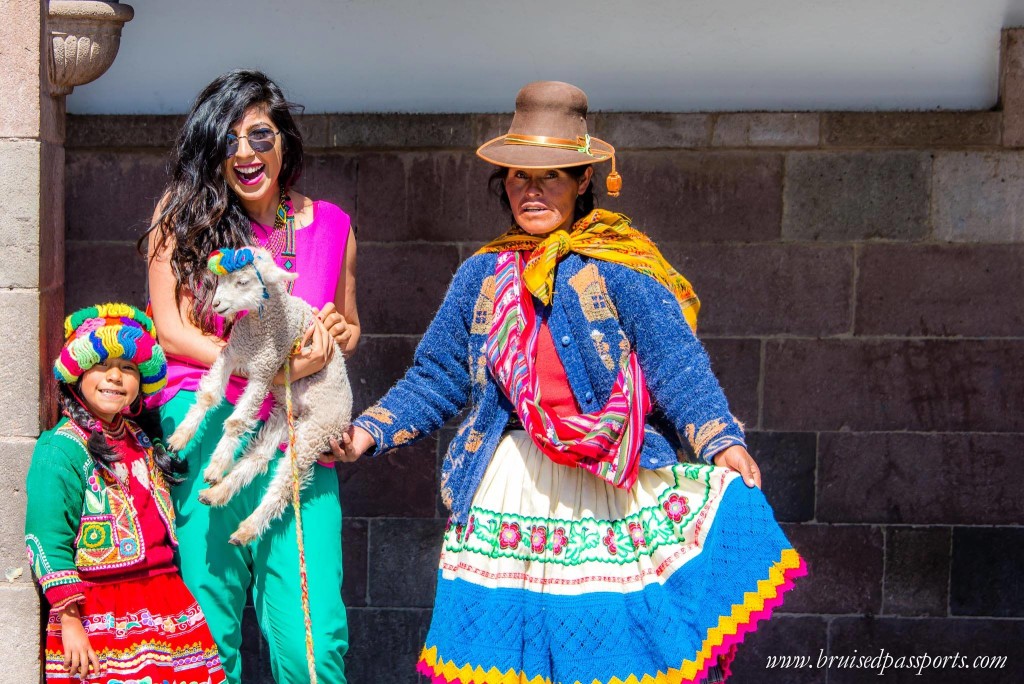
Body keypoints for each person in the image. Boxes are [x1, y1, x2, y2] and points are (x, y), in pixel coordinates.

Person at [334, 81, 805, 684]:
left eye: (550, 176)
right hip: (510, 489)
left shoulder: (622, 268)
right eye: (518, 176)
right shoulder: (482, 274)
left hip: (609, 485)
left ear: (584, 180)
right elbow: (437, 377)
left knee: (613, 660)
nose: (531, 191)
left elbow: (677, 365)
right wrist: (367, 435)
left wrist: (721, 442)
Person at [141, 69, 357, 683]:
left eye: (259, 135)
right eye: (227, 139)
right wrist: (268, 364)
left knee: (311, 630)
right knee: (211, 616)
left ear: (283, 139)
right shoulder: (180, 217)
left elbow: (350, 323)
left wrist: (338, 335)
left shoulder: (332, 225)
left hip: (296, 430)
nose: (244, 152)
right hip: (210, 417)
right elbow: (173, 331)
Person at [25, 303, 226, 683]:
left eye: (129, 368)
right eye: (101, 365)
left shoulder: (141, 440)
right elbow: (46, 537)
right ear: (78, 375)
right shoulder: (61, 449)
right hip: (99, 610)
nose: (115, 377)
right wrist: (69, 620)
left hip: (165, 601)